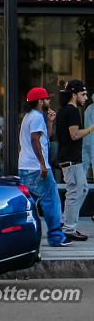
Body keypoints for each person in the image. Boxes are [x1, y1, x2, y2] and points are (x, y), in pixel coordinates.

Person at [18, 87, 71, 247]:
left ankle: (25, 237)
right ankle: (56, 237)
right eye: (46, 99)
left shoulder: (29, 117)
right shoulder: (36, 117)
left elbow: (44, 139)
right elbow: (35, 140)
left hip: (25, 167)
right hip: (37, 168)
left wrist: (50, 122)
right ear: (40, 101)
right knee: (52, 201)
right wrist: (42, 164)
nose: (49, 101)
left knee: (30, 204)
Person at [56, 79, 94, 241]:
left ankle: (66, 222)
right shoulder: (71, 111)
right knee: (75, 193)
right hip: (70, 159)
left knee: (83, 189)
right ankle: (69, 229)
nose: (86, 97)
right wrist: (92, 128)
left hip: (71, 159)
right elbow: (74, 135)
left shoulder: (65, 110)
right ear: (73, 95)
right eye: (83, 94)